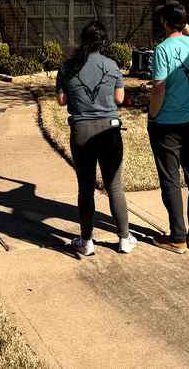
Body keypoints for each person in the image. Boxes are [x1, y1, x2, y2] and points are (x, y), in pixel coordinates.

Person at [56, 20, 136, 256]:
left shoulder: (67, 67)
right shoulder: (111, 65)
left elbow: (62, 102)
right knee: (114, 186)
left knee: (86, 188)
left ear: (83, 39)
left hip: (81, 131)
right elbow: (120, 99)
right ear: (103, 42)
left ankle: (86, 241)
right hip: (109, 130)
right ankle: (124, 239)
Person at [147, 0, 189, 254]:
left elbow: (158, 89)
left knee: (171, 180)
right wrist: (181, 19)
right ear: (182, 22)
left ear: (163, 22)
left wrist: (152, 116)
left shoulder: (162, 50)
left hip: (168, 124)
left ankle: (177, 238)